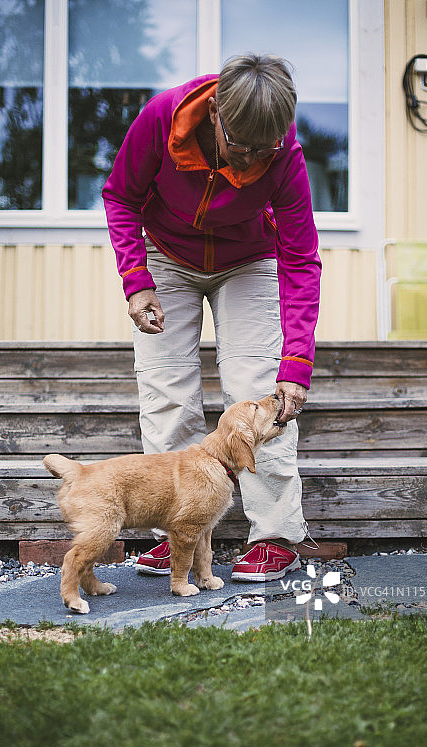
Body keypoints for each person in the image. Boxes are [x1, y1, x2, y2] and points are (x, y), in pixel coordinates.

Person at [102, 53, 321, 582]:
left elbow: (300, 258)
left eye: (261, 154)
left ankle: (274, 535)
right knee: (167, 392)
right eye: (240, 150)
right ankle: (175, 528)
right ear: (217, 113)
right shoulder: (161, 117)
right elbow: (121, 196)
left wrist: (295, 364)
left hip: (249, 259)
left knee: (258, 391)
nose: (250, 166)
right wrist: (136, 281)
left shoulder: (283, 153)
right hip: (165, 256)